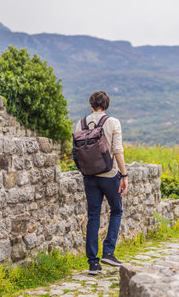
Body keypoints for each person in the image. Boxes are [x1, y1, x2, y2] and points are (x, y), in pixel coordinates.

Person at [75, 91, 129, 275]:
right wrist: (124, 175)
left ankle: (92, 263)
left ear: (91, 105)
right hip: (109, 174)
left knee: (93, 217)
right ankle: (108, 251)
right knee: (116, 210)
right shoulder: (113, 122)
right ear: (106, 105)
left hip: (89, 176)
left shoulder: (80, 123)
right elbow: (117, 151)